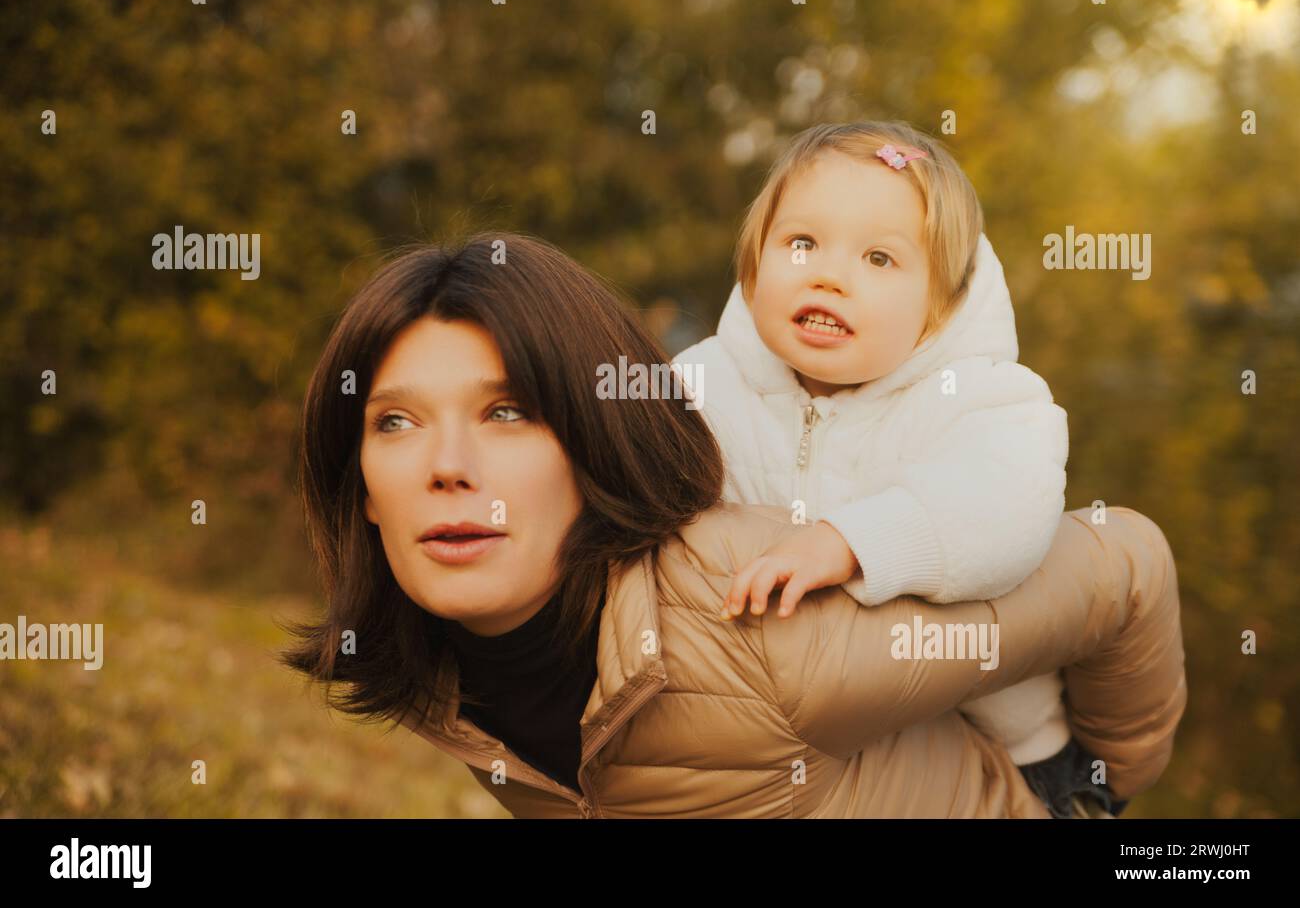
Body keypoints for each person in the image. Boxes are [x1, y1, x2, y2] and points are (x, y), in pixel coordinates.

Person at [281, 231, 1186, 818]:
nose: (445, 466)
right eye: (393, 422)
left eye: (508, 412)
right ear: (361, 485)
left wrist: (1093, 787)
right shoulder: (444, 667)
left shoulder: (762, 624)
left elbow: (1127, 563)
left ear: (598, 444)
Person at [670, 120, 1088, 811]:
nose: (829, 275)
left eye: (879, 260)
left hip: (995, 740)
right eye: (801, 244)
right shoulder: (702, 386)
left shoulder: (982, 398)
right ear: (753, 265)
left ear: (941, 308)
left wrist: (851, 543)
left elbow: (1008, 504)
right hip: (791, 731)